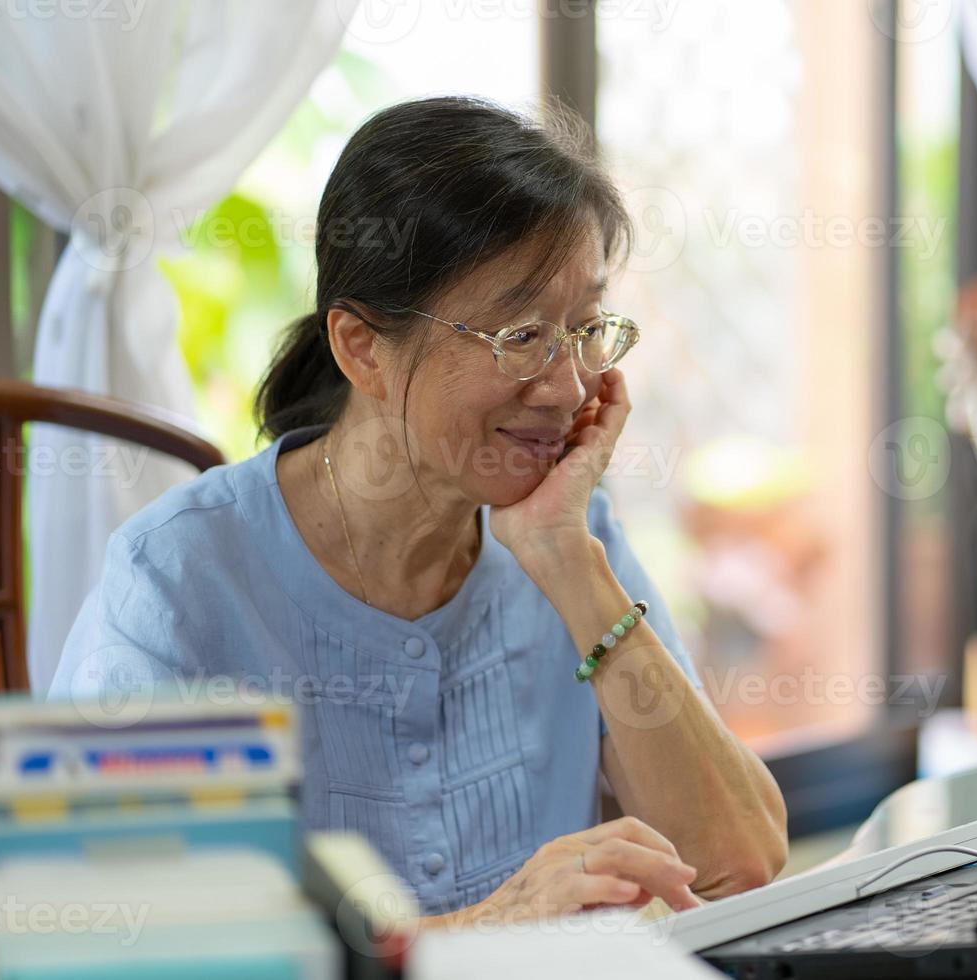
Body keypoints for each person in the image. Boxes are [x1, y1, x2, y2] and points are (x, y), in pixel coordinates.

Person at [49, 96, 788, 923]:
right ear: (362, 347)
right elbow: (124, 934)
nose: (569, 384)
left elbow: (738, 862)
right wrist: (483, 932)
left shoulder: (573, 535)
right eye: (520, 337)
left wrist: (564, 558)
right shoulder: (179, 580)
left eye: (584, 329)